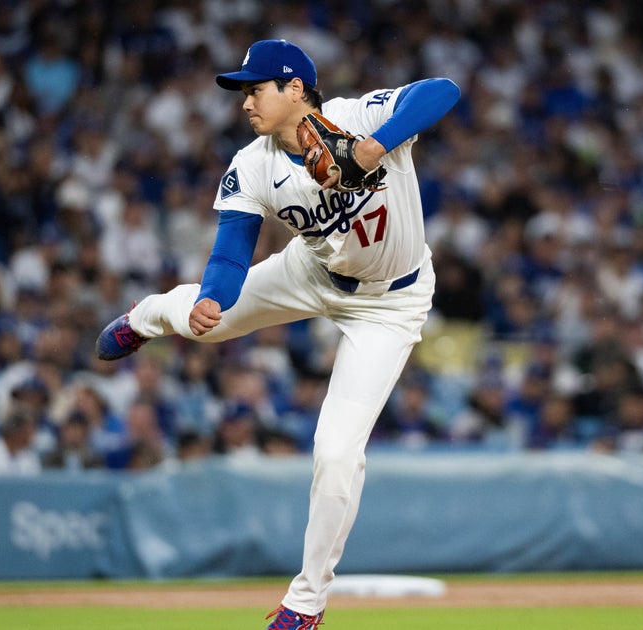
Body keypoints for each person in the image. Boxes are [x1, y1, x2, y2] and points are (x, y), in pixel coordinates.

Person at [94, 39, 459, 629]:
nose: (245, 103)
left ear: (295, 88)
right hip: (310, 272)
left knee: (337, 454)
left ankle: (306, 604)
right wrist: (213, 298)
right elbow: (231, 251)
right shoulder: (253, 163)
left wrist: (373, 147)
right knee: (201, 324)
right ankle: (146, 317)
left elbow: (443, 90)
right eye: (243, 92)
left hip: (392, 303)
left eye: (255, 89)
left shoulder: (359, 116)